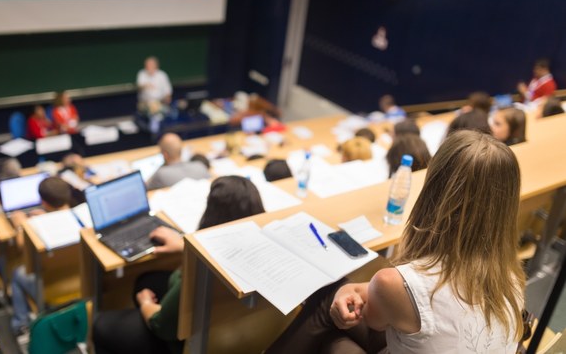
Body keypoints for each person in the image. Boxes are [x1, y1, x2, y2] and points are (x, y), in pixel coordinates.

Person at [267, 130, 525, 353]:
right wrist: (352, 290)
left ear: (434, 190)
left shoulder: (396, 284)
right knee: (336, 341)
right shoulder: (512, 277)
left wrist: (349, 292)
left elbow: (375, 312)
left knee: (331, 325)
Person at [93, 176, 266, 354]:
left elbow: (161, 325)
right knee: (145, 280)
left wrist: (145, 303)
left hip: (185, 342)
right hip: (230, 332)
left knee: (100, 325)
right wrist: (186, 246)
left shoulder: (201, 272)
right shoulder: (253, 250)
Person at [10, 177, 73, 334]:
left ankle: (21, 323)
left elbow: (20, 246)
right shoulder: (81, 215)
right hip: (83, 283)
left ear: (44, 202)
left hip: (51, 289)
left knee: (17, 273)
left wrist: (20, 224)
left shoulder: (38, 225)